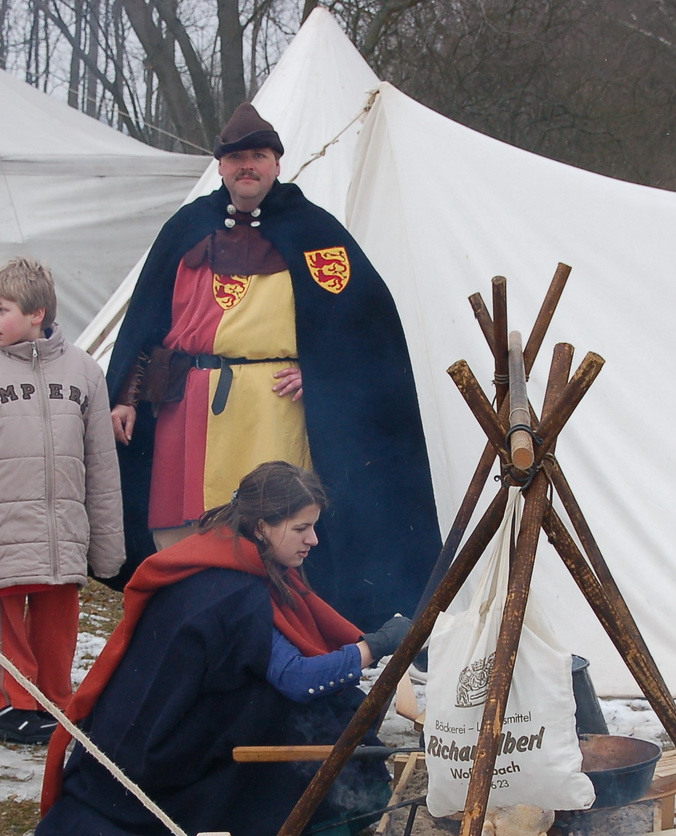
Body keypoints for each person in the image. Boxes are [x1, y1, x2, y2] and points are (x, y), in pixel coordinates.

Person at [107, 102, 440, 628]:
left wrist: (323, 372)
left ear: (277, 164)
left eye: (259, 156)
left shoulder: (313, 231)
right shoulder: (187, 226)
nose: (248, 166)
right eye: (237, 157)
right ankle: (191, 631)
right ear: (220, 166)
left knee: (273, 524)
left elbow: (366, 324)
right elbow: (144, 320)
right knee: (184, 529)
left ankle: (276, 635)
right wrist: (125, 395)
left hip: (273, 407)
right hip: (189, 402)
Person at [31, 462, 411, 836]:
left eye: (313, 527)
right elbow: (297, 679)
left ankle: (328, 822)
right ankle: (318, 829)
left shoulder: (224, 555)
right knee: (295, 709)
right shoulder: (234, 590)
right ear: (262, 526)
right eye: (302, 528)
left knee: (319, 697)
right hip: (157, 759)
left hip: (154, 728)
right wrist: (375, 645)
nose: (313, 539)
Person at [0, 257, 124, 745]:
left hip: (63, 532)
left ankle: (54, 702)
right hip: (3, 528)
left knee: (58, 623)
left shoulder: (83, 372)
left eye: (3, 309)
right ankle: (10, 707)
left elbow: (102, 466)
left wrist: (107, 546)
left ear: (37, 313)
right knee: (8, 623)